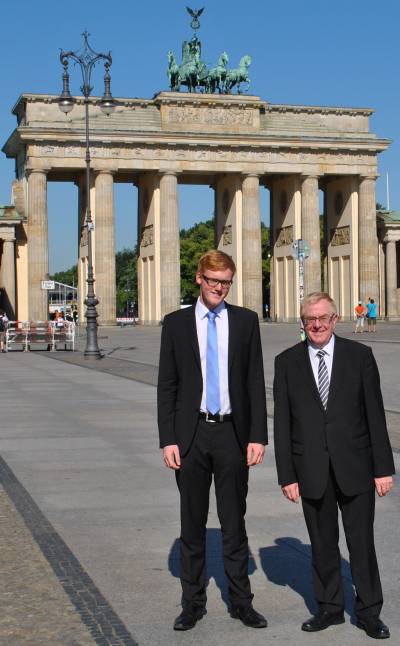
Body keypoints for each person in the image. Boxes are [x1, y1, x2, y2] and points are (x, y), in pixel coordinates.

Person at [158, 249, 268, 632]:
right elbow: (167, 385)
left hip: (233, 433)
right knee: (192, 523)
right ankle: (193, 603)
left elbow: (254, 379)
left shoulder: (245, 321)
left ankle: (242, 602)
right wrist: (168, 438)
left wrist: (258, 435)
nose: (220, 288)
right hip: (191, 435)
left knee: (234, 522)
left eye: (226, 282)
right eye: (214, 280)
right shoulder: (175, 323)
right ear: (199, 278)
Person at [273, 292, 395, 640]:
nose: (316, 325)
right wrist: (287, 475)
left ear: (335, 319)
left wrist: (383, 468)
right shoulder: (287, 362)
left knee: (361, 543)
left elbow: (374, 414)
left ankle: (370, 611)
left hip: (355, 465)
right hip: (310, 468)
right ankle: (329, 607)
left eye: (323, 318)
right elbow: (282, 424)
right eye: (310, 319)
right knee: (322, 543)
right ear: (302, 322)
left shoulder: (360, 356)